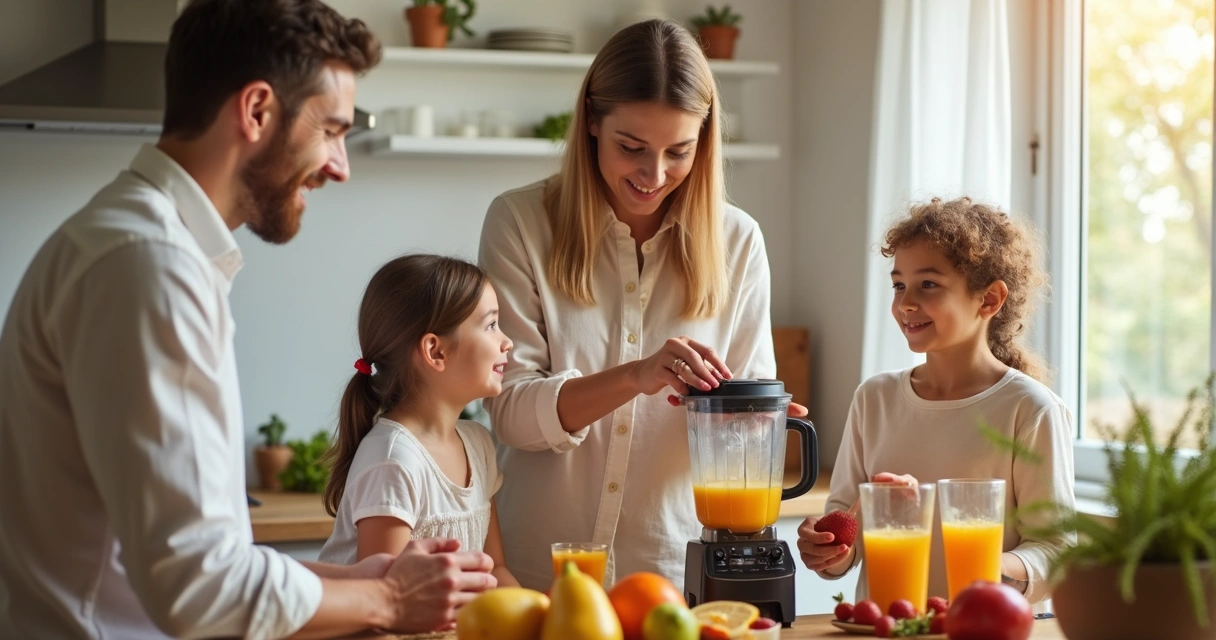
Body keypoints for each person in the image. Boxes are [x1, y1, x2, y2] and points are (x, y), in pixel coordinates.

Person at [0, 2, 494, 638]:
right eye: (332, 130)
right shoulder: (150, 267)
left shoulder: (132, 245)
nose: (341, 165)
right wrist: (391, 602)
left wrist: (370, 579)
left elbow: (202, 562)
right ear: (257, 111)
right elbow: (199, 588)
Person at [478, 18, 802, 590]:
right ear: (593, 124)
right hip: (542, 574)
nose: (654, 175)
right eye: (632, 148)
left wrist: (755, 422)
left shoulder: (738, 241)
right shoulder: (521, 224)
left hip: (674, 577)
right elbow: (510, 414)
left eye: (678, 151)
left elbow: (745, 414)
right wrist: (636, 375)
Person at [796, 197, 1076, 606]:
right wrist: (827, 546)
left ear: (989, 300)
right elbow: (843, 550)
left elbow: (1056, 552)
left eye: (928, 284)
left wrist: (985, 565)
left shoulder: (1030, 409)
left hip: (982, 631)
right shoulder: (874, 398)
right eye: (898, 284)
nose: (905, 302)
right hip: (887, 631)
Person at [317, 255, 519, 589]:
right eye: (491, 325)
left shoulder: (479, 444)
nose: (506, 341)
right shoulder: (393, 459)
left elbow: (494, 570)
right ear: (435, 352)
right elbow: (384, 602)